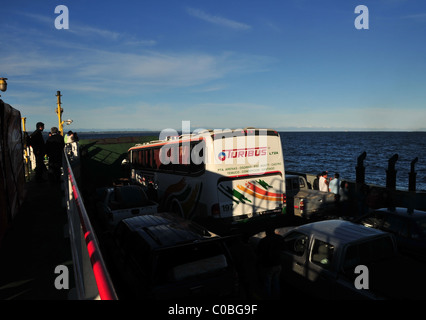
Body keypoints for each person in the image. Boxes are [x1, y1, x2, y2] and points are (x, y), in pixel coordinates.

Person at [257, 227, 285, 299]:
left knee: (267, 283)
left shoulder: (263, 241)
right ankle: (277, 296)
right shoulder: (279, 238)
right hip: (278, 263)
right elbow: (284, 248)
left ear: (266, 232)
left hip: (268, 265)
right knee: (276, 281)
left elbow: (258, 252)